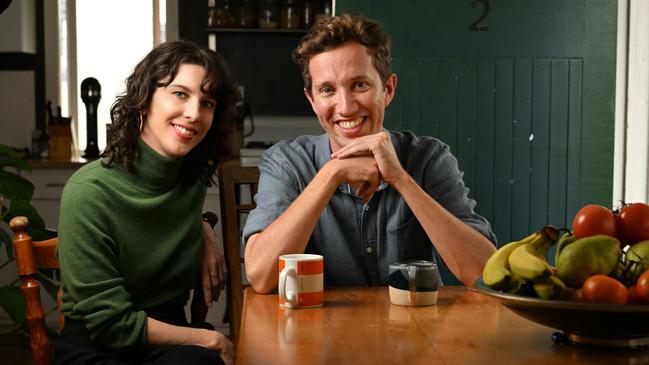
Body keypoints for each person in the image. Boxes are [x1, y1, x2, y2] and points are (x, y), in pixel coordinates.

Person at [242, 14, 497, 293]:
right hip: (320, 330)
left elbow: (483, 272)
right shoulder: (287, 162)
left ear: (387, 89)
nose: (346, 107)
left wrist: (400, 178)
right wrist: (331, 173)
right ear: (312, 101)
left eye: (359, 85)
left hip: (417, 328)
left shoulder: (429, 158)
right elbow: (262, 277)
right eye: (327, 90)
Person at [55, 40, 239, 365]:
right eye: (180, 94)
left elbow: (164, 212)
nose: (194, 114)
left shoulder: (190, 179)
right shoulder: (88, 191)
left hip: (170, 340)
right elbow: (111, 324)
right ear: (144, 100)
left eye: (207, 102)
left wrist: (204, 227)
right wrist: (211, 338)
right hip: (99, 344)